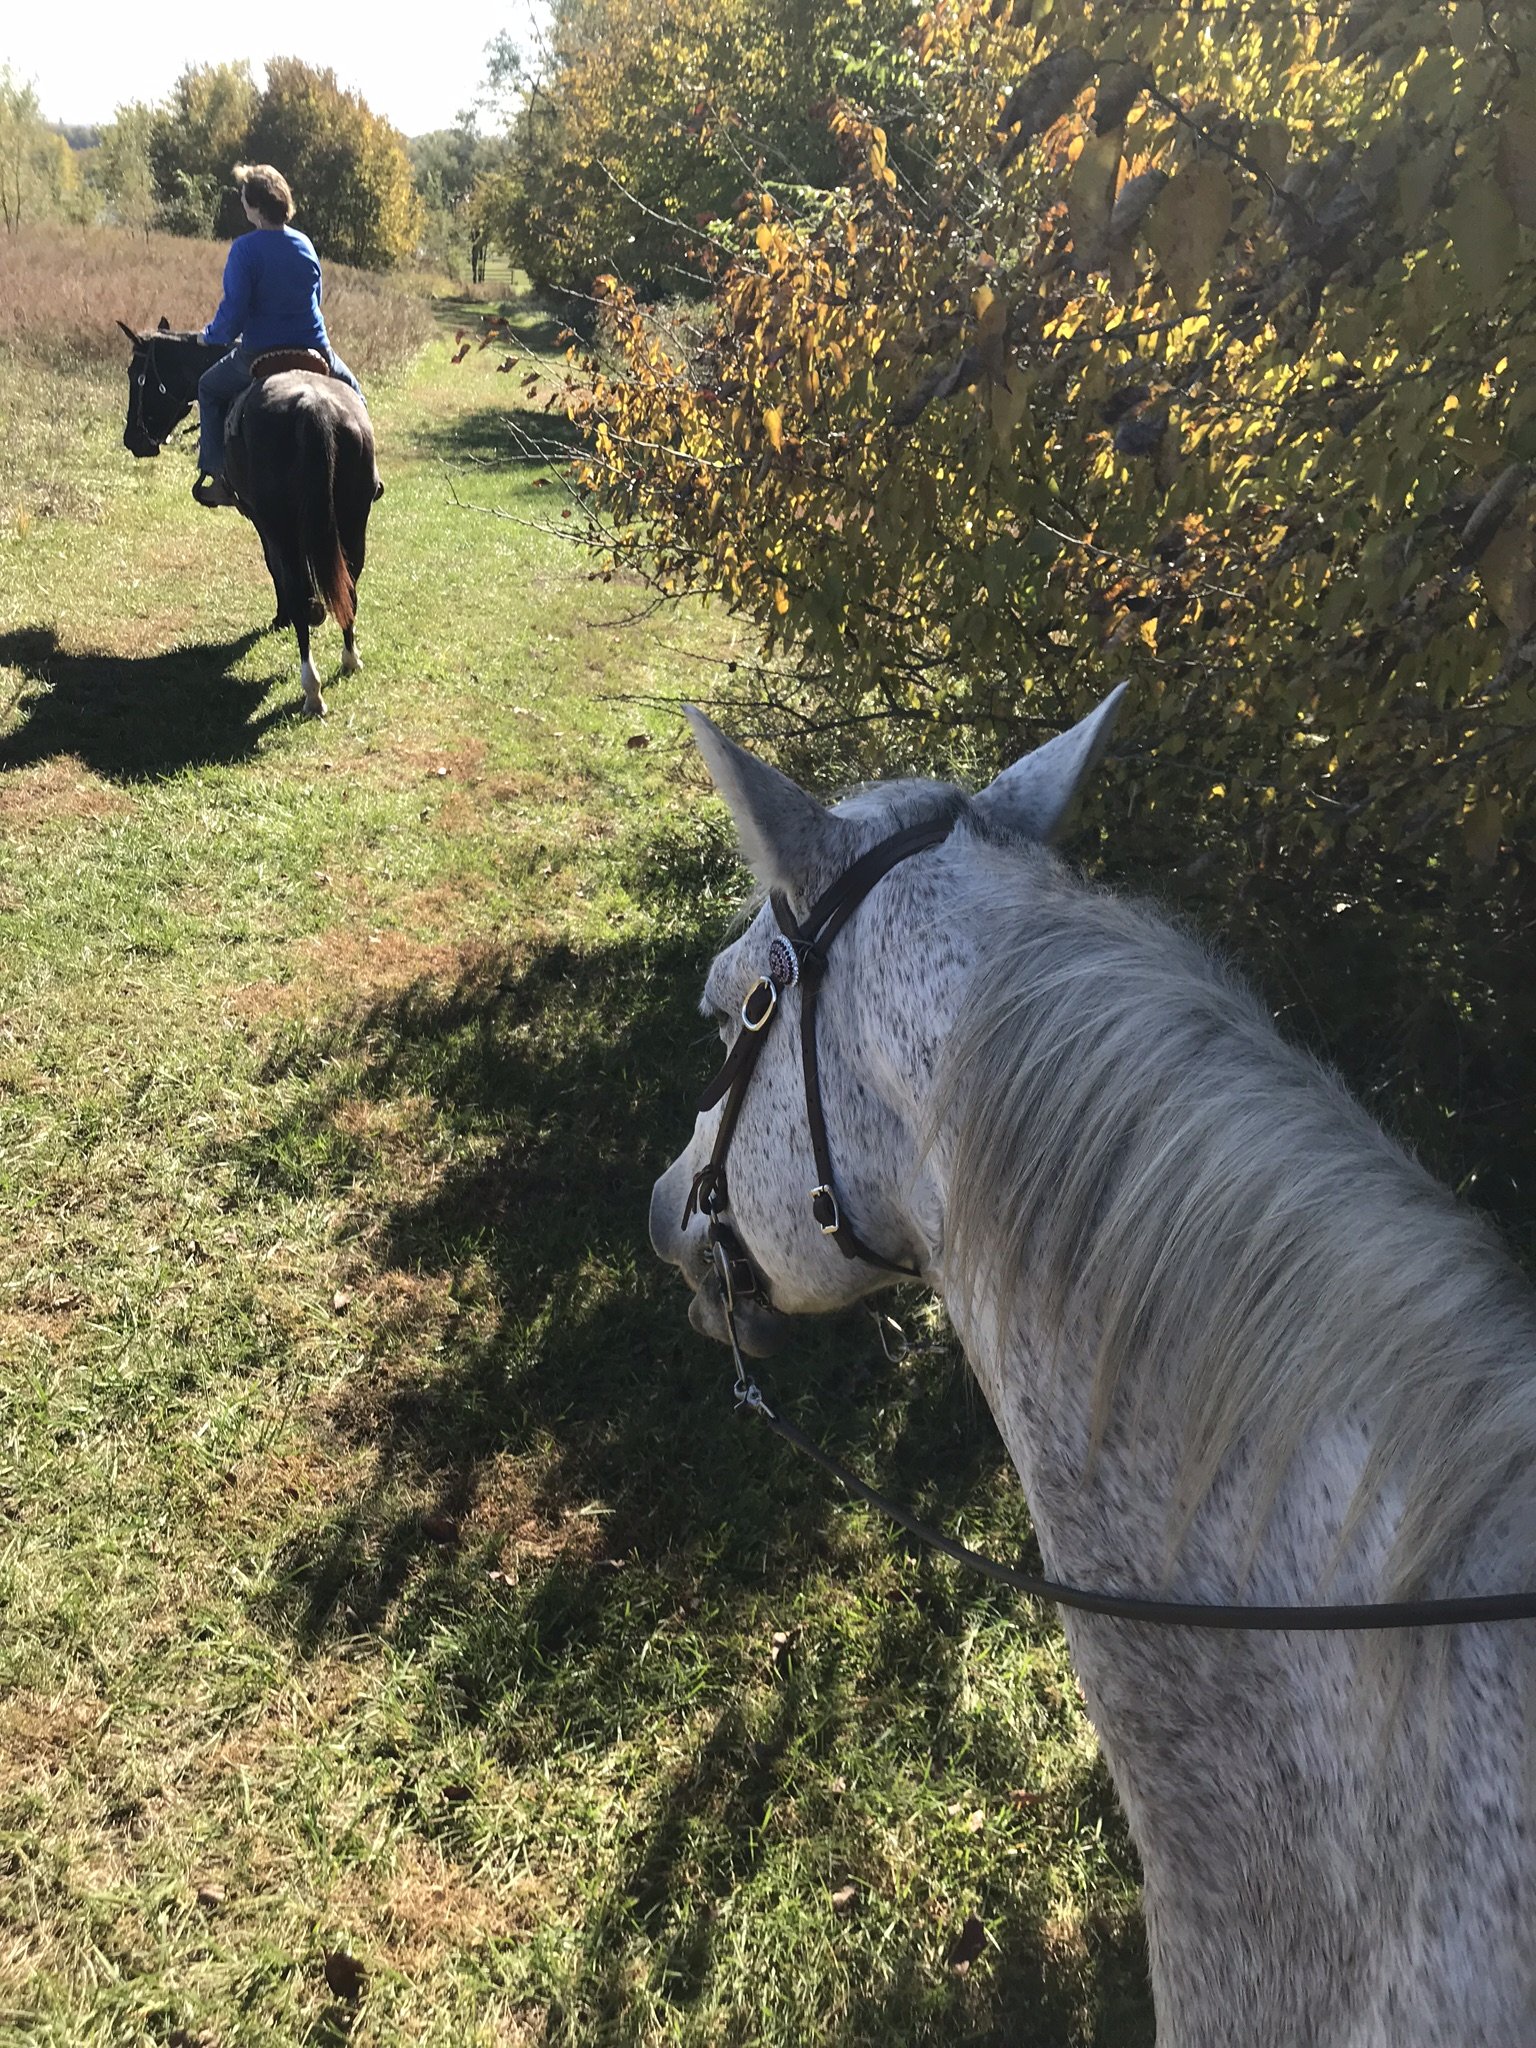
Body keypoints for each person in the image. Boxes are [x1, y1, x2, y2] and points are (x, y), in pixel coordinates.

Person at [193, 164, 366, 509]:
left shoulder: (244, 249)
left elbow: (233, 313)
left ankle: (216, 476)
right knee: (355, 394)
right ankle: (366, 475)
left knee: (208, 388)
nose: (242, 202)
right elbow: (316, 299)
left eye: (244, 196)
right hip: (315, 348)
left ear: (255, 205)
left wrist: (209, 336)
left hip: (259, 353)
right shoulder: (305, 244)